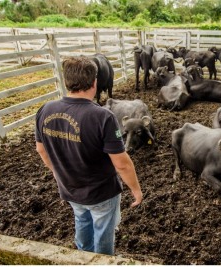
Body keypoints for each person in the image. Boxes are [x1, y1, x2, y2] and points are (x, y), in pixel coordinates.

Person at [35, 56, 143, 256]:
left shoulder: (45, 110)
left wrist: (58, 173)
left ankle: (82, 255)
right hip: (100, 192)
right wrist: (136, 190)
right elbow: (121, 164)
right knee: (103, 230)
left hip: (69, 187)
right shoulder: (103, 116)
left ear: (66, 81)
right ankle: (101, 260)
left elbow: (41, 150)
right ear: (95, 82)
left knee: (81, 218)